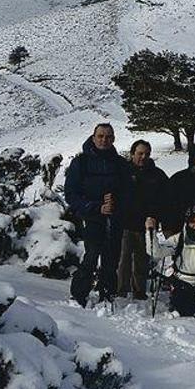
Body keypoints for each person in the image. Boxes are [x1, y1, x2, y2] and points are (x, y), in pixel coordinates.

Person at [65, 123, 131, 307]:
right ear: (93, 138)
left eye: (108, 136)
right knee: (92, 255)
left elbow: (129, 192)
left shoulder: (120, 164)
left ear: (114, 139)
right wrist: (95, 207)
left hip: (114, 218)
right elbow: (71, 193)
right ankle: (79, 294)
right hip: (92, 217)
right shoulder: (81, 162)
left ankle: (107, 293)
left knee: (111, 258)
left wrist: (116, 202)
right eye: (101, 136)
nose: (104, 140)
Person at [118, 139, 167, 300]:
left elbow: (165, 199)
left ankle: (139, 291)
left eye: (146, 154)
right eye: (140, 153)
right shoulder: (123, 172)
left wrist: (155, 217)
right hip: (124, 223)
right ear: (133, 154)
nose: (143, 157)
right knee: (123, 259)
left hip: (147, 225)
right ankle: (121, 291)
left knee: (142, 259)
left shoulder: (157, 175)